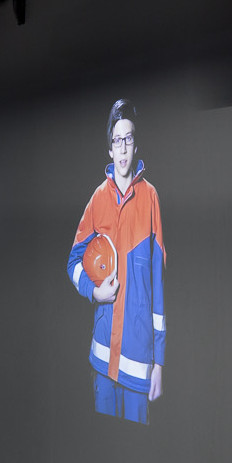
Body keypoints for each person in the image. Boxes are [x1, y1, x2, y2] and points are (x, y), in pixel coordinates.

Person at [67, 99, 164, 423]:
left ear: (136, 145)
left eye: (128, 139)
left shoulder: (150, 198)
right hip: (101, 361)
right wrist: (93, 293)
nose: (122, 148)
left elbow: (158, 286)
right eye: (116, 140)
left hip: (138, 368)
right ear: (109, 149)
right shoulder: (98, 199)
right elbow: (73, 262)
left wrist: (159, 364)